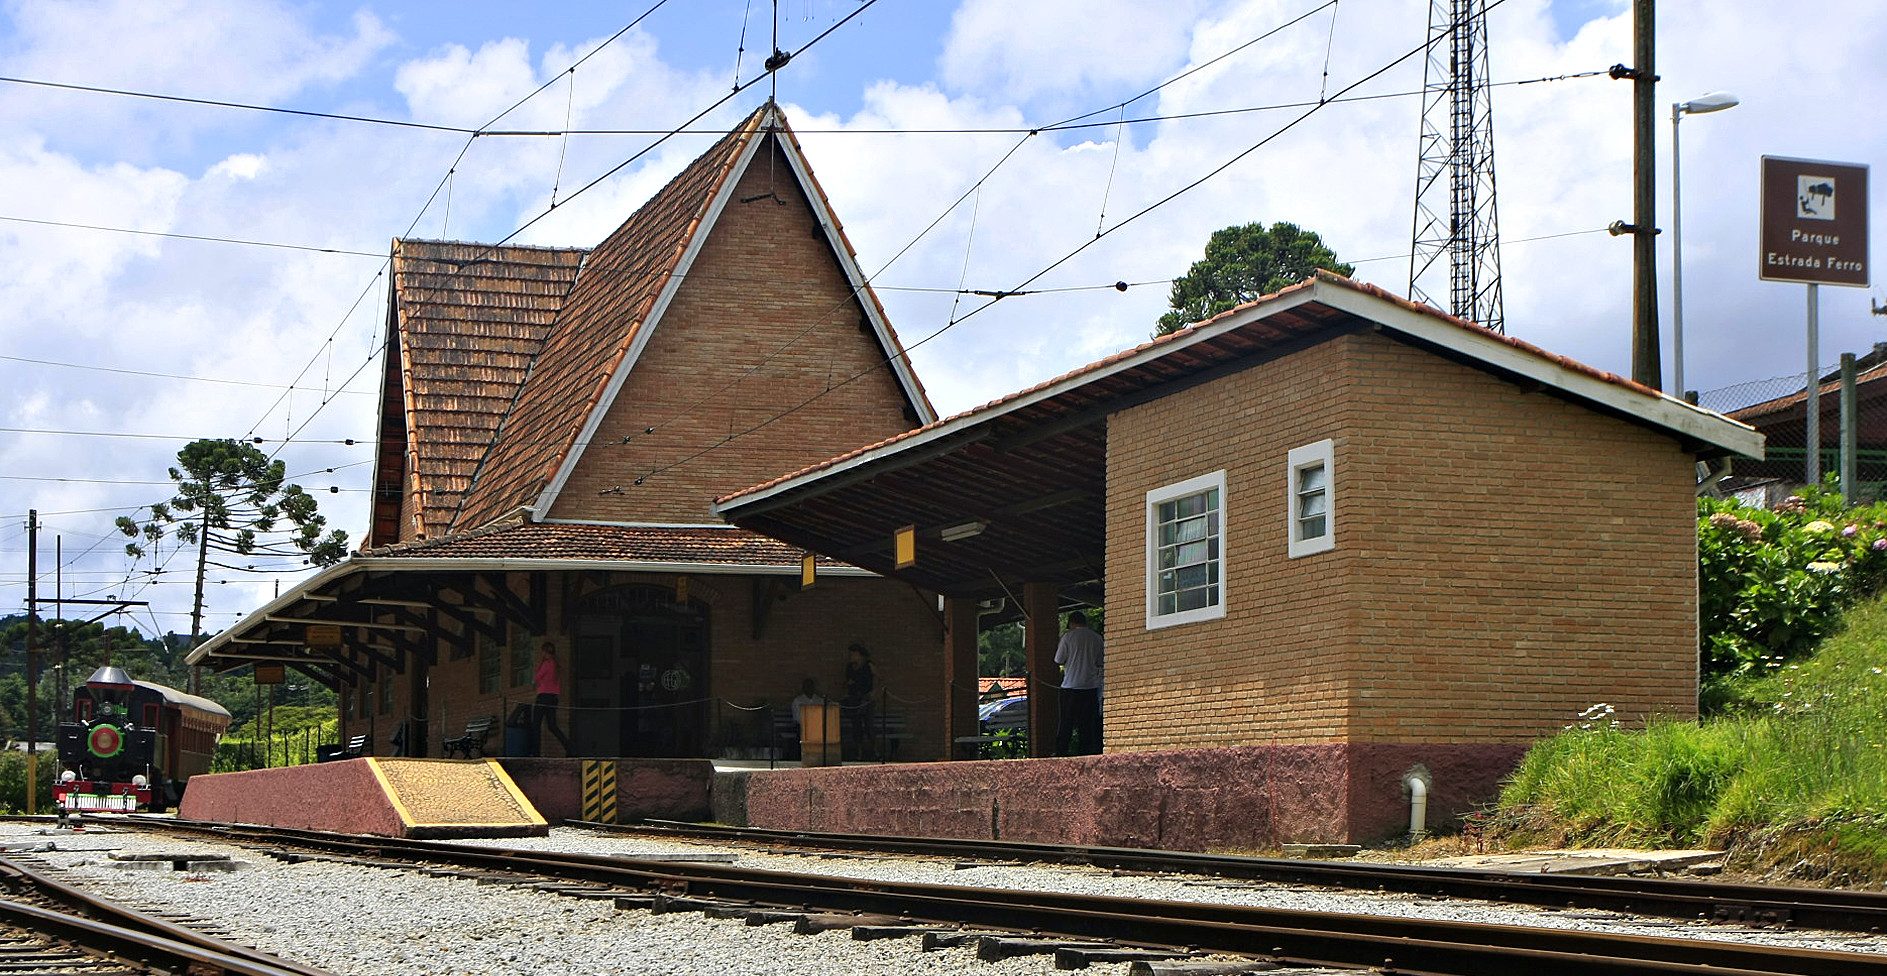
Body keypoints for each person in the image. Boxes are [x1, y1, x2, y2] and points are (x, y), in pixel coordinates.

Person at [1053, 612, 1104, 756]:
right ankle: (1085, 753)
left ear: (1071, 623)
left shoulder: (1068, 637)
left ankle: (1061, 752)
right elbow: (1100, 662)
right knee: (1086, 724)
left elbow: (1059, 659)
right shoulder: (1096, 638)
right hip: (1090, 686)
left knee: (1066, 723)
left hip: (1070, 686)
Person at [533, 641, 576, 757]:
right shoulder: (556, 665)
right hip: (553, 697)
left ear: (545, 652)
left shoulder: (547, 664)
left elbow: (537, 677)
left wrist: (540, 664)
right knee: (552, 725)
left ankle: (535, 752)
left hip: (543, 696)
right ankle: (569, 747)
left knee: (536, 724)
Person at [842, 643, 876, 760]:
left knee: (868, 726)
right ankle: (859, 752)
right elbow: (848, 682)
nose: (851, 656)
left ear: (860, 655)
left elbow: (877, 679)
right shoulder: (850, 667)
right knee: (856, 726)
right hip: (854, 699)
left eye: (853, 654)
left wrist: (873, 692)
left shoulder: (868, 666)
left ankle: (874, 751)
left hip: (866, 699)